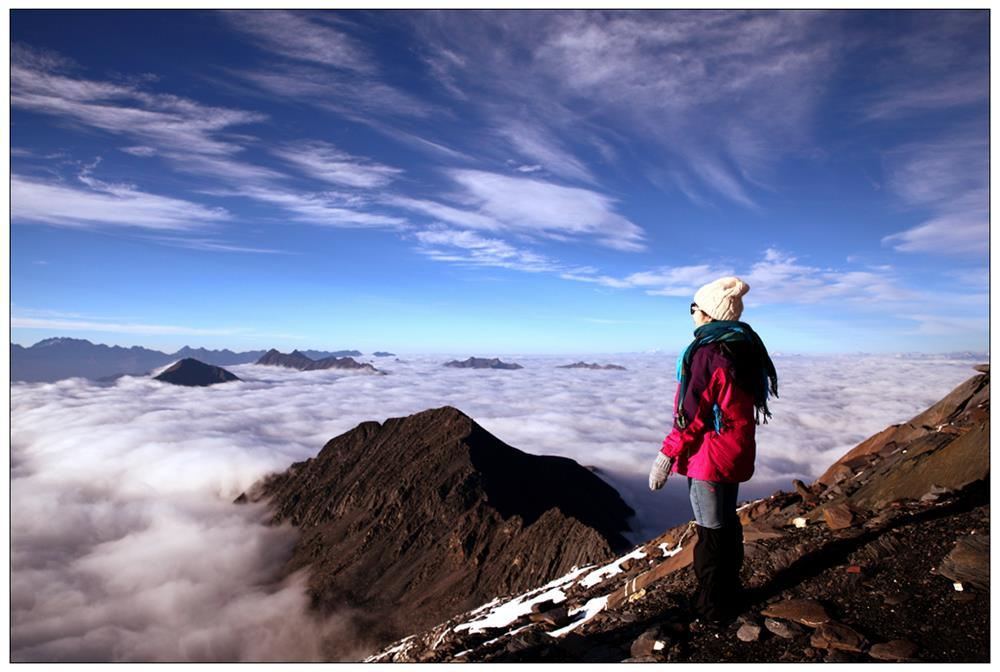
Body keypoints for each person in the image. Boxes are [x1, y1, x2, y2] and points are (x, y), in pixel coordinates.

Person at [648, 276, 778, 625]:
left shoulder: (708, 353)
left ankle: (712, 607)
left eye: (694, 308)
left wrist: (666, 454)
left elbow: (692, 414)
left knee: (710, 533)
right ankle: (728, 593)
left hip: (709, 456)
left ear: (708, 314)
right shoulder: (743, 346)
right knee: (727, 525)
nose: (691, 314)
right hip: (735, 450)